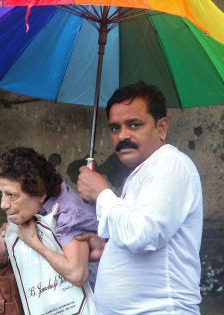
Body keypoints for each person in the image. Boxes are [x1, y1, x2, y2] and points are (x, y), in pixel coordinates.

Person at [76, 81, 203, 314]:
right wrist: (110, 248)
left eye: (134, 125)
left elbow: (143, 234)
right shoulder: (142, 173)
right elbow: (140, 235)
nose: (122, 135)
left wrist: (102, 194)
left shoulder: (170, 164)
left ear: (161, 127)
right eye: (115, 128)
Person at [0, 147, 99, 289]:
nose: (3, 204)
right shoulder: (24, 207)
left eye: (11, 195)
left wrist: (34, 242)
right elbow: (1, 256)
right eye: (2, 193)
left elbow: (77, 275)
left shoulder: (70, 213)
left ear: (40, 193)